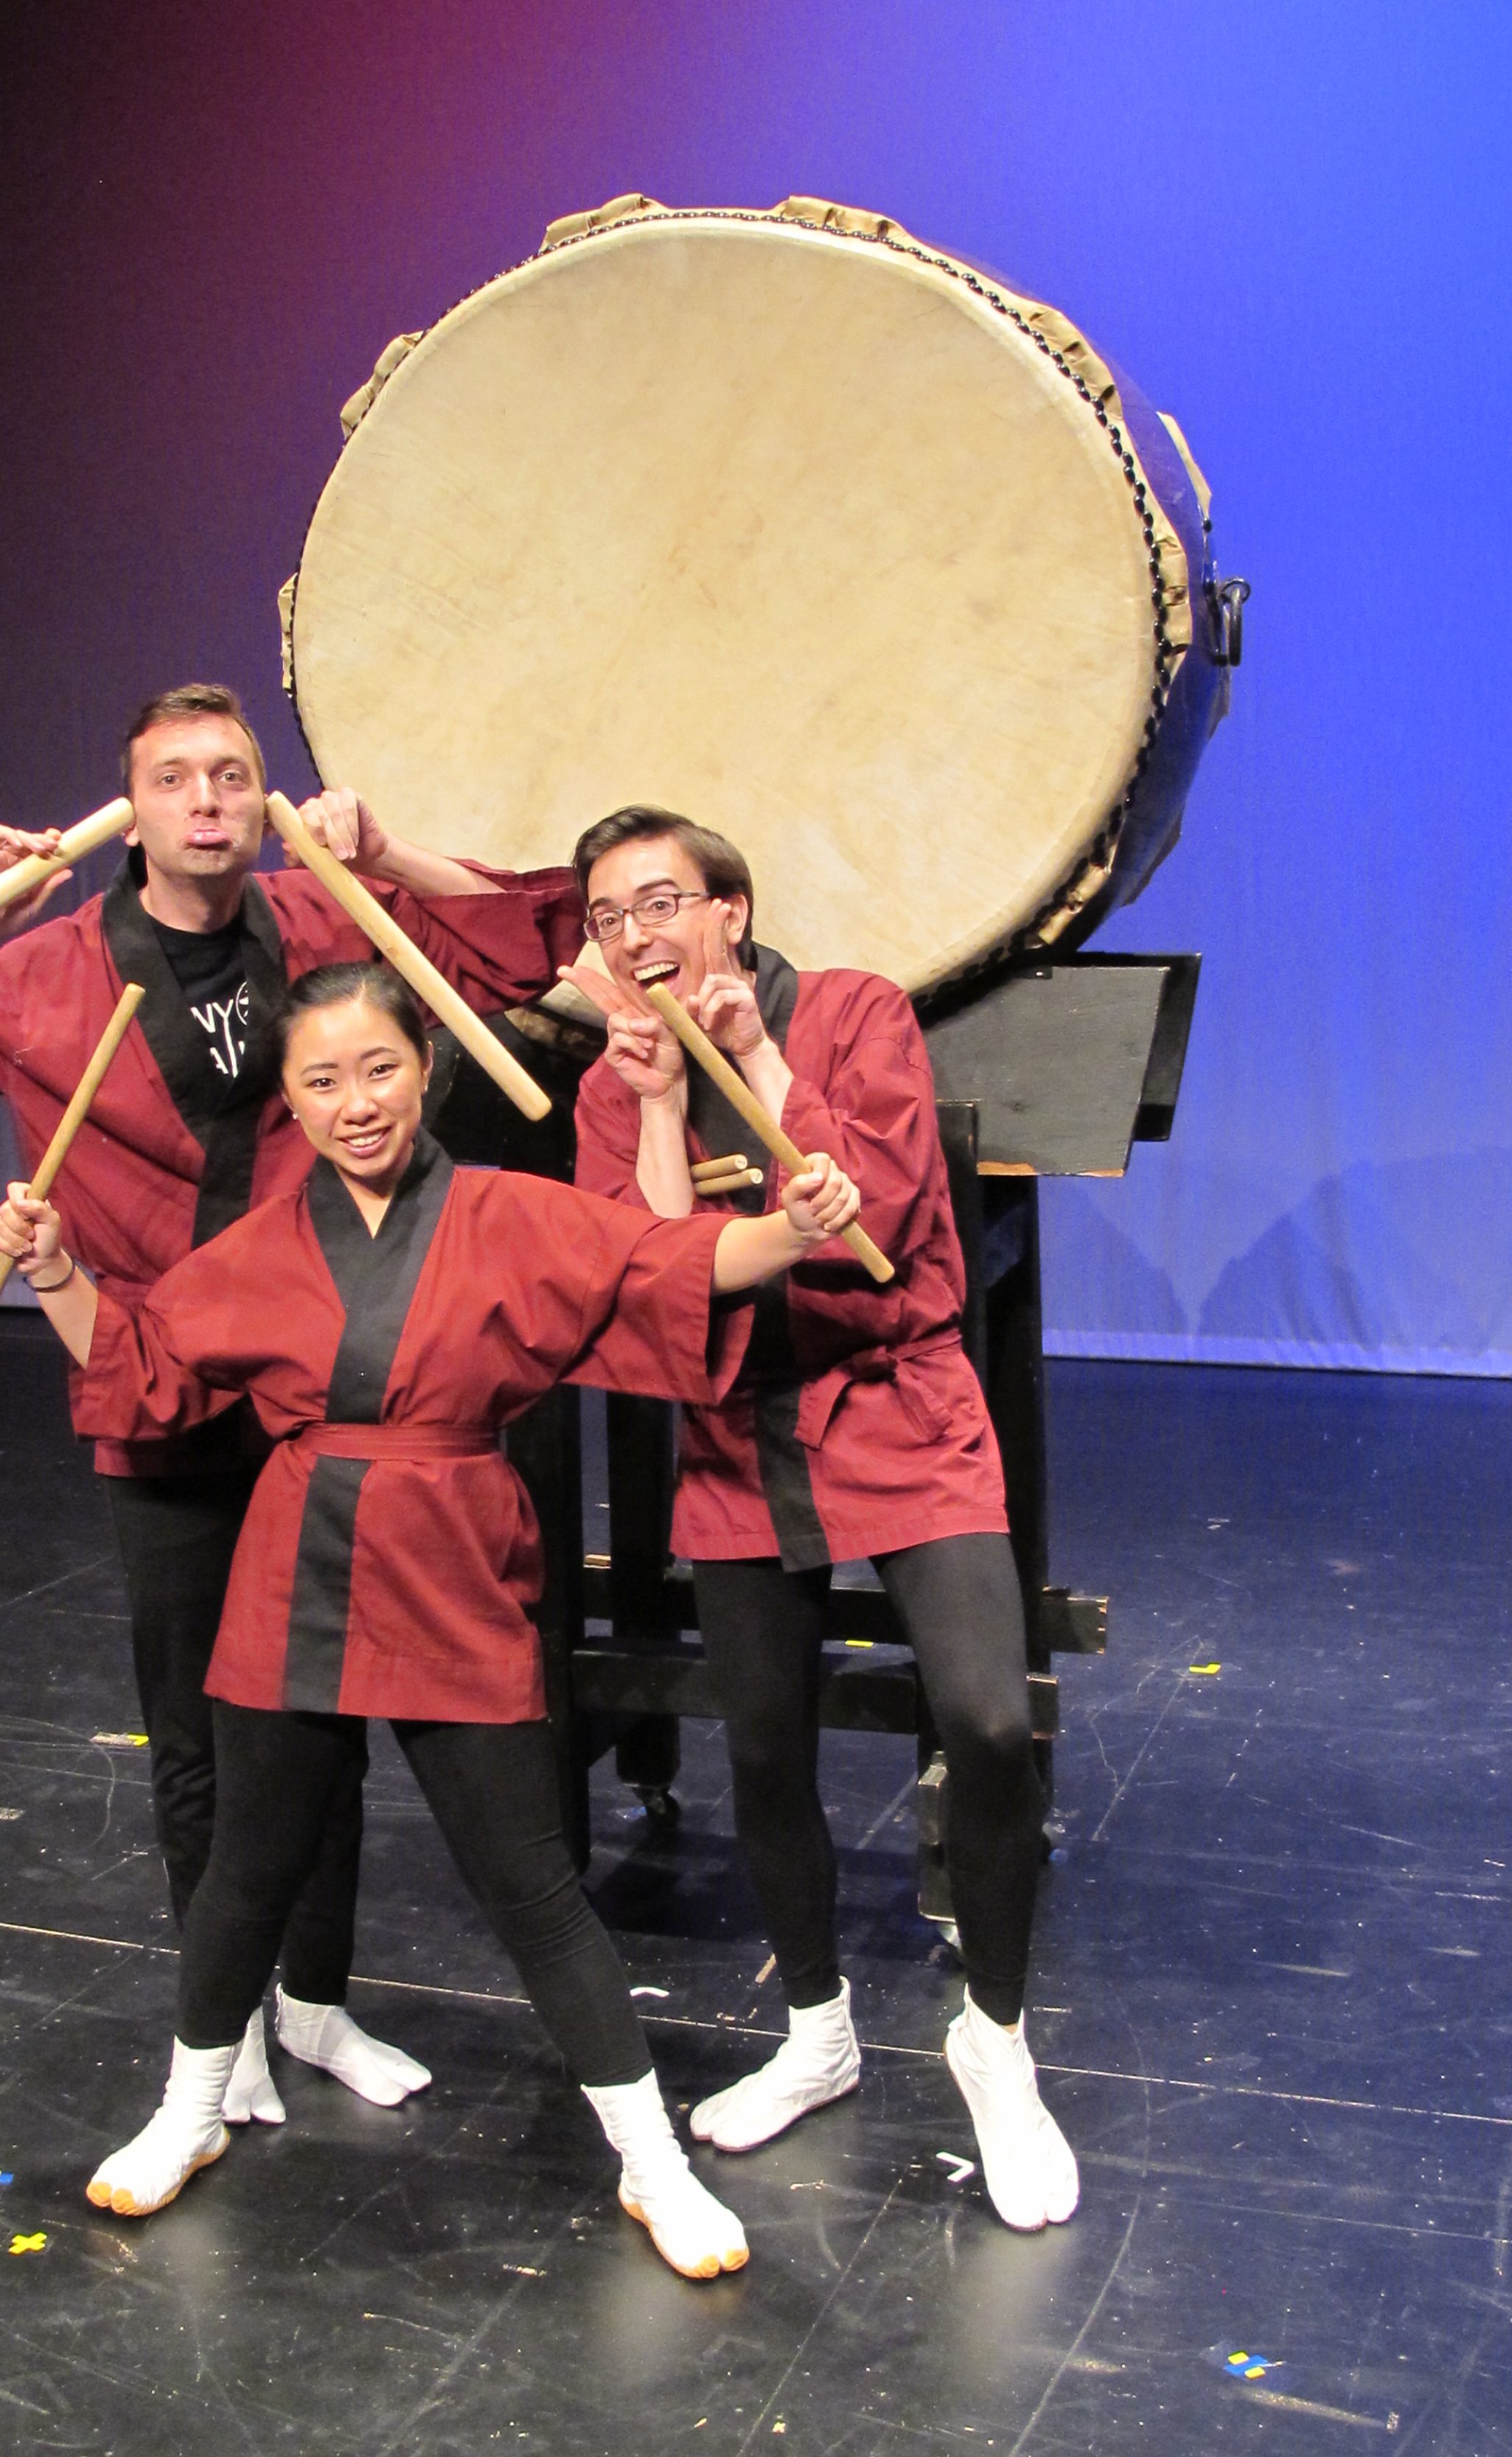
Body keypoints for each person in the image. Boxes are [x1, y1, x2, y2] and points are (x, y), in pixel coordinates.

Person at [0, 959, 863, 2276]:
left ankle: (653, 2161)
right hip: (299, 1565)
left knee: (533, 1887)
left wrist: (793, 1231)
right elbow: (148, 1365)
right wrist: (58, 1265)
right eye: (321, 1081)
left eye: (378, 1069)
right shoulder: (269, 1241)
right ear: (287, 1100)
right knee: (245, 1870)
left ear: (427, 1068)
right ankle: (189, 2111)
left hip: (455, 1556)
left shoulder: (513, 1212)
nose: (355, 1103)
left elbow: (669, 1259)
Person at [0, 683, 579, 2125]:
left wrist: (392, 853)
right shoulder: (40, 971)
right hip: (154, 1380)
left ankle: (318, 2004)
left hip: (321, 1388)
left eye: (233, 773)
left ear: (263, 795)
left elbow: (533, 940)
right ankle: (214, 2032)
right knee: (195, 1727)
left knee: (325, 1708)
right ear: (135, 807)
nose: (210, 799)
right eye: (176, 778)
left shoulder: (326, 920)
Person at [563, 806, 1079, 2234]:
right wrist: (663, 1104)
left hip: (902, 1404)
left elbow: (898, 1209)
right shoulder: (614, 1090)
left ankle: (994, 2036)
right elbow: (656, 1289)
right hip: (739, 1430)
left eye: (659, 900)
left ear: (728, 907)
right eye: (607, 917)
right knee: (766, 1746)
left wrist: (765, 1067)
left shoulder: (848, 1013)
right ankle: (817, 2026)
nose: (636, 934)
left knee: (981, 1717)